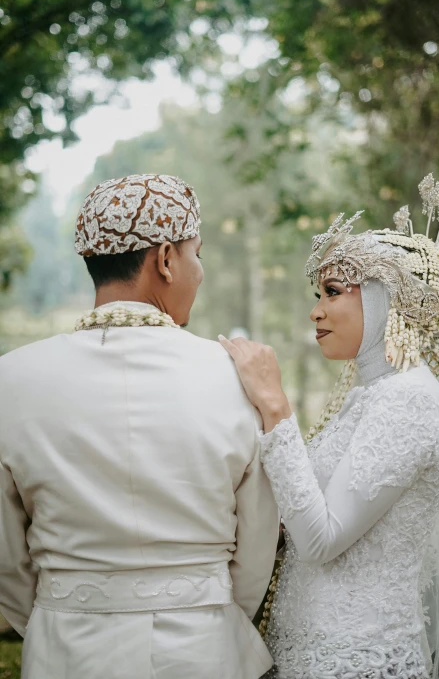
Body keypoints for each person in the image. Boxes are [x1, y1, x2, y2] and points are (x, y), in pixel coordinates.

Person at [220, 175, 439, 679]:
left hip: (359, 663)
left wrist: (275, 406)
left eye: (333, 292)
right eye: (318, 293)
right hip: (308, 657)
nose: (316, 310)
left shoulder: (411, 403)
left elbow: (322, 540)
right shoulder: (371, 397)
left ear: (386, 301)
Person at [0, 173, 278, 679]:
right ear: (166, 259)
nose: (201, 269)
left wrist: (53, 617)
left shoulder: (10, 379)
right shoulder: (236, 378)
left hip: (65, 652)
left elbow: (6, 557)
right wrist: (209, 611)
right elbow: (258, 541)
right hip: (204, 652)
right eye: (198, 253)